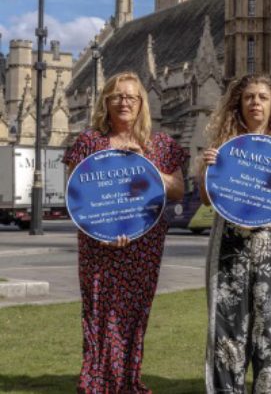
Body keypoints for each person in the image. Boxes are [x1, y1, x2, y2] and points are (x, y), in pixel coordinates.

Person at [64, 71, 187, 394]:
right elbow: (74, 192)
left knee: (133, 312)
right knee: (99, 310)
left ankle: (126, 380)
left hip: (143, 243)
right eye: (117, 96)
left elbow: (177, 190)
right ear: (105, 101)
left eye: (131, 97)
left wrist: (148, 166)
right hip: (98, 242)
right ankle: (95, 381)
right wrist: (97, 230)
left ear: (142, 103)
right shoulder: (89, 142)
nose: (124, 102)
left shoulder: (160, 145)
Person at [201, 74, 271, 393]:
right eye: (249, 97)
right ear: (239, 103)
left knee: (270, 326)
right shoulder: (223, 146)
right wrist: (207, 170)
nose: (256, 103)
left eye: (262, 97)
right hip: (229, 243)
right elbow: (208, 197)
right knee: (227, 325)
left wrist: (269, 210)